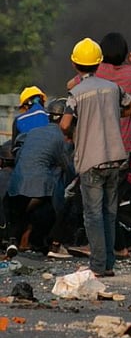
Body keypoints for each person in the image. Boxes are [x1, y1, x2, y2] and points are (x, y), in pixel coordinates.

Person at [60, 38, 131, 277]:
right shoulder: (112, 88)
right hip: (116, 157)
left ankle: (97, 265)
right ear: (98, 63)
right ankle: (109, 264)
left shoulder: (75, 93)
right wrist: (114, 116)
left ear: (75, 64)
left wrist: (75, 129)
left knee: (93, 214)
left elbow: (64, 124)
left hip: (91, 160)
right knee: (109, 212)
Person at [6, 98, 74, 257]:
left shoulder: (34, 131)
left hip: (16, 184)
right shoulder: (60, 138)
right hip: (40, 187)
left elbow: (18, 150)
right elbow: (67, 167)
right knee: (65, 199)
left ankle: (14, 241)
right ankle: (54, 244)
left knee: (21, 210)